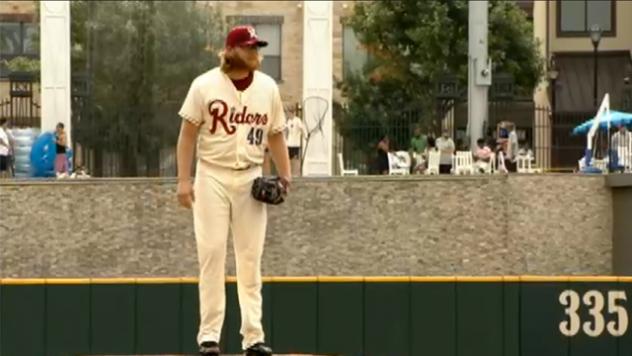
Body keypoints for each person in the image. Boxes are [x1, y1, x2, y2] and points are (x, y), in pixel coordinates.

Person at [176, 25, 290, 356]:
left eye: (257, 46)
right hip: (211, 175)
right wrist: (184, 180)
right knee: (211, 255)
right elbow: (187, 135)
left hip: (251, 177)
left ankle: (253, 337)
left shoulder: (268, 87)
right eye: (249, 46)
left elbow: (276, 135)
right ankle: (209, 337)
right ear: (231, 50)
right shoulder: (204, 85)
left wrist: (285, 177)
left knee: (250, 259)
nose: (256, 52)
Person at [285, 106, 307, 176]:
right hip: (289, 143)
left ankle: (296, 173)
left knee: (295, 159)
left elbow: (302, 129)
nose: (288, 114)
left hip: (296, 143)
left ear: (293, 113)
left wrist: (305, 136)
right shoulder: (288, 121)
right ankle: (289, 173)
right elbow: (286, 130)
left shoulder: (297, 120)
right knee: (288, 158)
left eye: (289, 112)